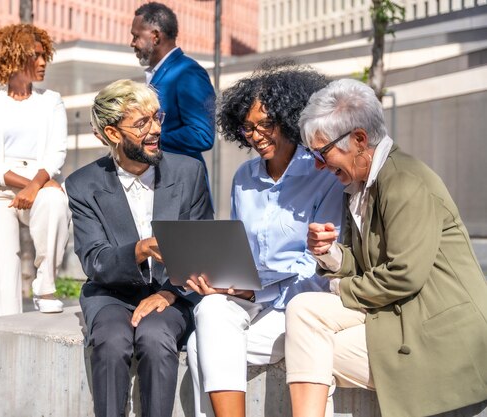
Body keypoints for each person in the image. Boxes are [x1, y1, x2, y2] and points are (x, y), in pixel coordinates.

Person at [286, 78, 487, 417]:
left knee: (310, 352)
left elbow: (402, 276)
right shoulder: (363, 185)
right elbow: (369, 266)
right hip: (402, 313)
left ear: (360, 140)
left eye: (322, 153)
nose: (319, 165)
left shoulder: (405, 181)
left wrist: (337, 285)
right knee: (303, 309)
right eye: (313, 155)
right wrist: (330, 254)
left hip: (439, 333)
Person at [184, 65, 345, 417]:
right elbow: (243, 250)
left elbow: (318, 267)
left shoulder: (323, 176)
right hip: (252, 299)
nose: (255, 135)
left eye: (264, 124)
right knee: (209, 308)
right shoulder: (243, 178)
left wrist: (256, 291)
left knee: (199, 347)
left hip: (298, 307)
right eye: (247, 126)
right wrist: (223, 278)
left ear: (289, 120)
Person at [65, 79, 213, 417]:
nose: (156, 129)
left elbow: (203, 247)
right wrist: (141, 248)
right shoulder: (82, 184)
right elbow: (95, 261)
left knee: (156, 338)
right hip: (110, 293)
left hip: (172, 290)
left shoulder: (188, 172)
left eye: (157, 117)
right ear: (113, 134)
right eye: (142, 123)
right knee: (111, 341)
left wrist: (170, 294)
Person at [0, 24, 70, 318]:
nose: (43, 61)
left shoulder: (51, 101)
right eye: (35, 55)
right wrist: (26, 185)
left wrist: (36, 186)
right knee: (0, 297)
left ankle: (45, 285)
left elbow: (56, 152)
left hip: (39, 183)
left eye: (44, 54)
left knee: (56, 200)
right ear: (12, 58)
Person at [131, 2, 215, 168]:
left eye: (136, 36)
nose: (132, 43)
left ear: (155, 36)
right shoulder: (158, 73)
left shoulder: (188, 72)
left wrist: (142, 137)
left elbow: (202, 135)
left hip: (182, 187)